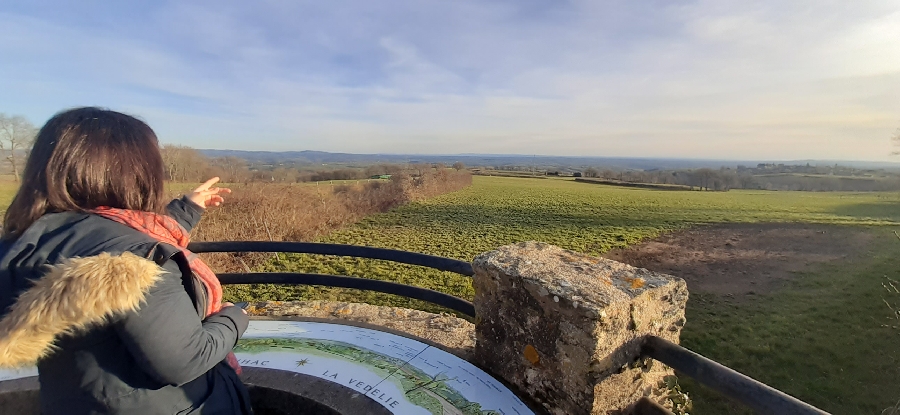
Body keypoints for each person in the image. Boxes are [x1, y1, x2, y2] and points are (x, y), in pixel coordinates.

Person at [0, 107, 253, 414]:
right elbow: (186, 359)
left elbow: (104, 237)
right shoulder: (134, 266)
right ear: (133, 172)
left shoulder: (24, 241)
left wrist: (186, 210)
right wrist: (234, 317)